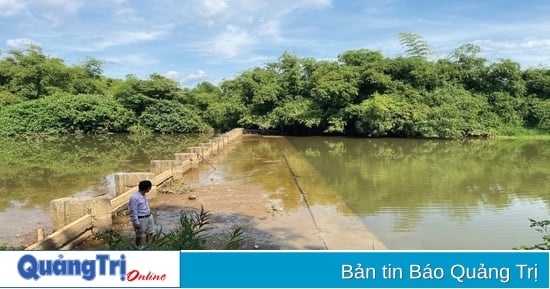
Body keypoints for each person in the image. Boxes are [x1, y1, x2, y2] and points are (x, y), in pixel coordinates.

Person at [128, 180, 154, 246]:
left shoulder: (144, 195)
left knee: (150, 233)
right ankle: (138, 249)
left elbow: (145, 205)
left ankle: (149, 247)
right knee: (139, 236)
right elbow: (133, 211)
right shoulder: (134, 197)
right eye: (150, 187)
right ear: (147, 188)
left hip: (148, 216)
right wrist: (136, 222)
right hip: (141, 219)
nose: (150, 189)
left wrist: (149, 213)